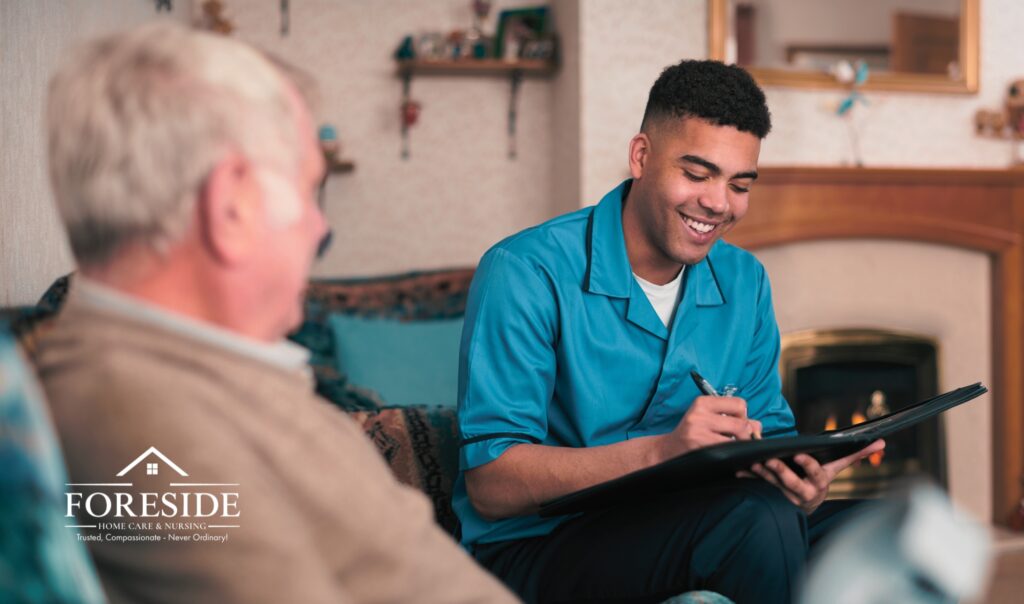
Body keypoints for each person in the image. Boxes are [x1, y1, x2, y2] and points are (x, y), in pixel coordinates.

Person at [36, 23, 516, 604]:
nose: (322, 227)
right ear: (230, 207)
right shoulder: (135, 425)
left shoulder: (198, 375)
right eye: (310, 189)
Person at [453, 59, 885, 604]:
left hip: (699, 522)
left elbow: (769, 439)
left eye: (739, 183)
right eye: (697, 174)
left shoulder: (745, 282)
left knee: (883, 527)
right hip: (538, 548)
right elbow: (491, 485)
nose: (718, 204)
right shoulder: (524, 272)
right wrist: (665, 452)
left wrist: (798, 481)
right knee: (754, 523)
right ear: (641, 157)